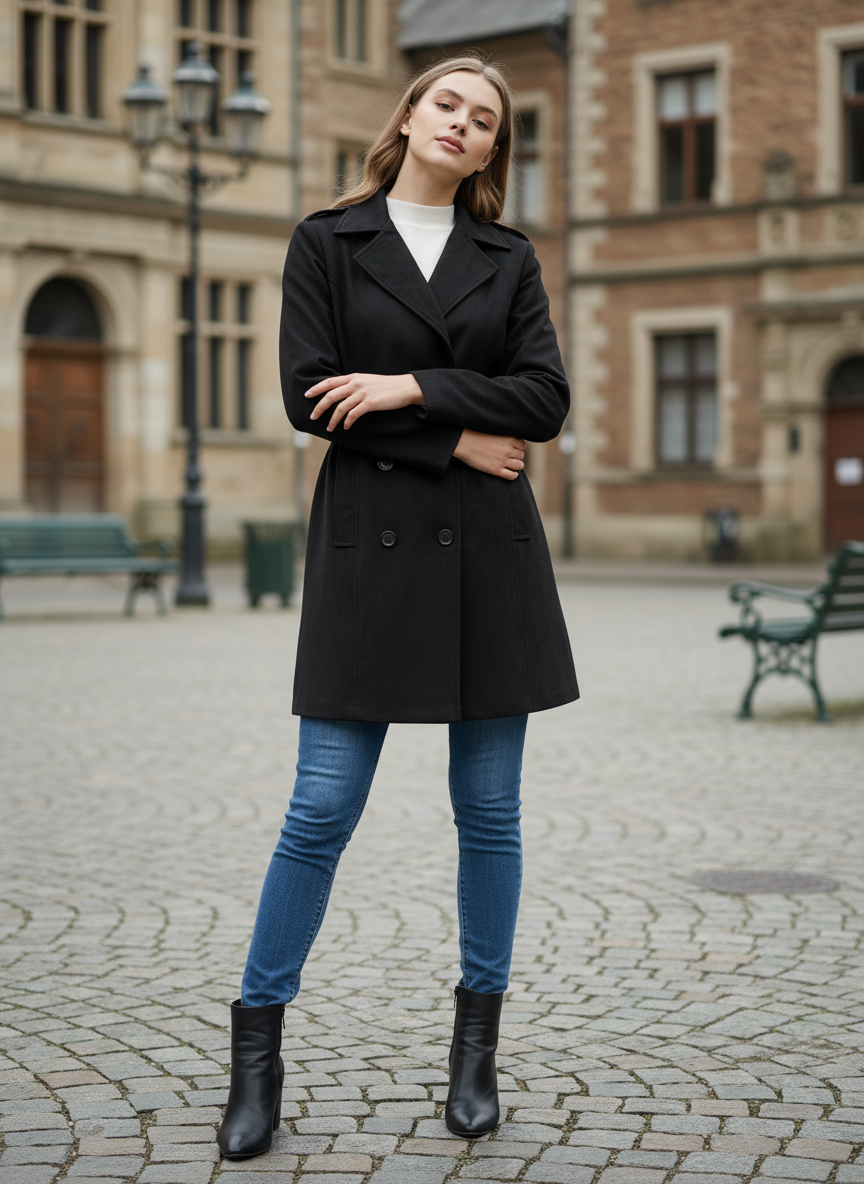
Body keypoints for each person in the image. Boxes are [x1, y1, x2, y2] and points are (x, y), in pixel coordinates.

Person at [216, 54, 579, 1161]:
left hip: (488, 562)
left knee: (492, 812)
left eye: (485, 119)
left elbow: (547, 398)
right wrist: (458, 435)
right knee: (319, 808)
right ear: (411, 116)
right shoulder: (327, 240)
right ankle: (256, 1053)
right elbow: (308, 392)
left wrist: (413, 388)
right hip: (368, 560)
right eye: (448, 104)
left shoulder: (508, 257)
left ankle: (475, 1053)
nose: (463, 123)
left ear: (489, 150)